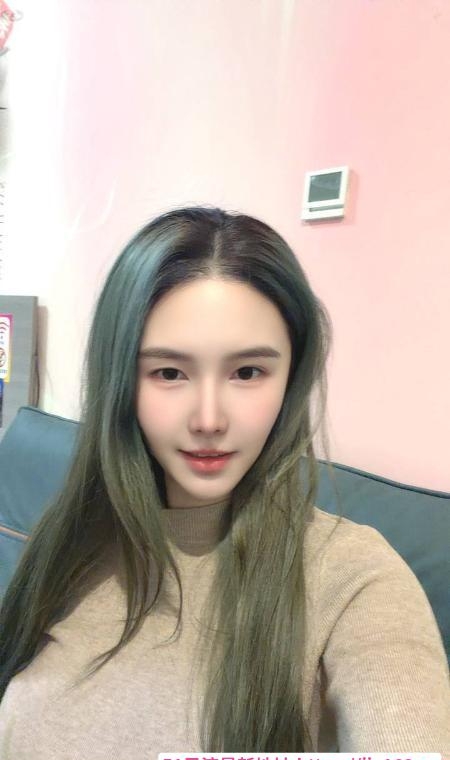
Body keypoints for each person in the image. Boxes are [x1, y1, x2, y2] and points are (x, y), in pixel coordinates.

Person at [0, 206, 448, 758]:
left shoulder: (356, 580)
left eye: (247, 372)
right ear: (121, 381)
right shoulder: (72, 540)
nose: (209, 419)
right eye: (169, 372)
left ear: (291, 378)